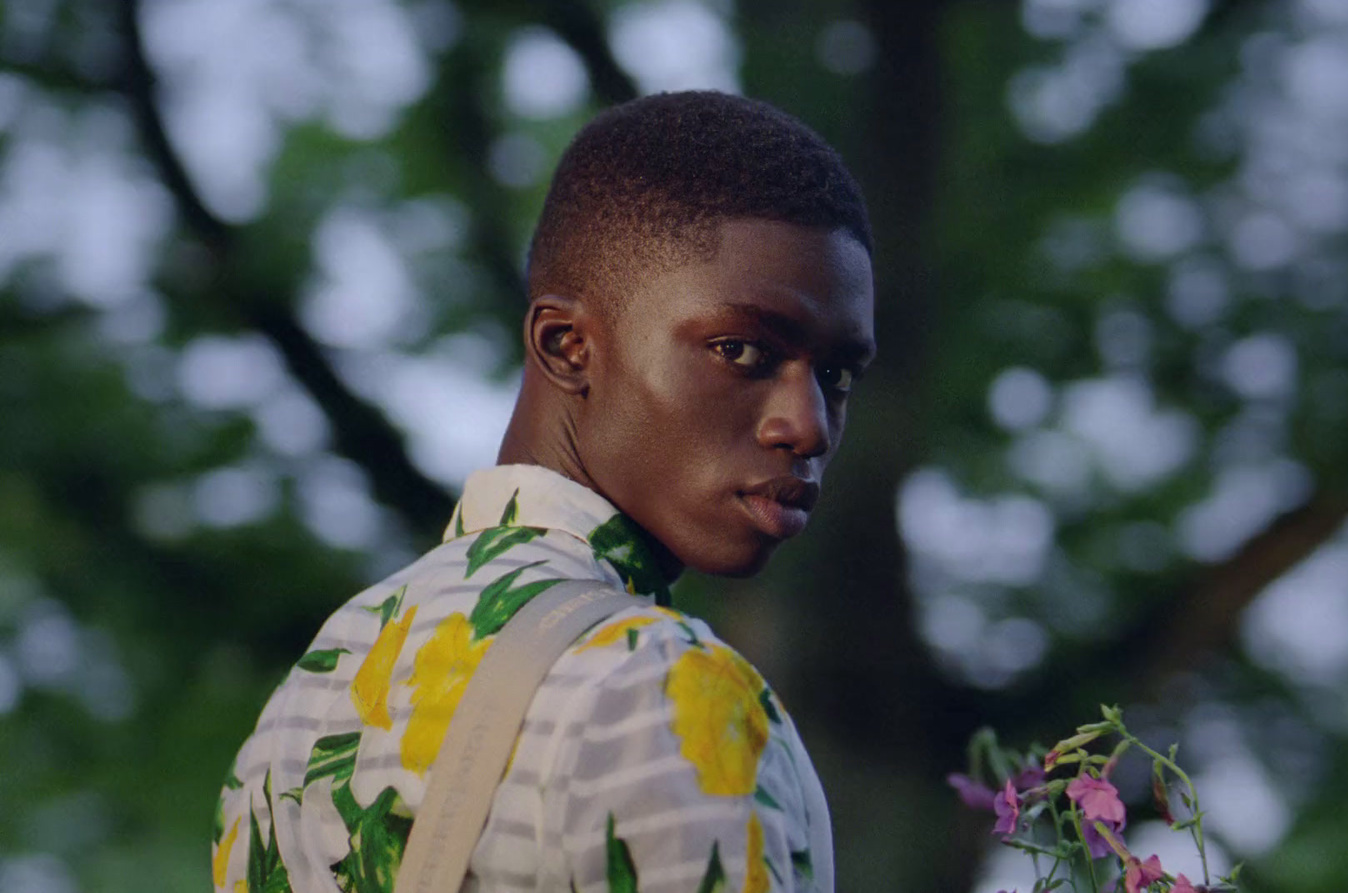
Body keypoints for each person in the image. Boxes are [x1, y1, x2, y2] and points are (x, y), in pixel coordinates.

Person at [210, 90, 874, 893]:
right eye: (741, 349)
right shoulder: (671, 687)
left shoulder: (309, 696)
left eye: (835, 375)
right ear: (567, 346)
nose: (807, 426)